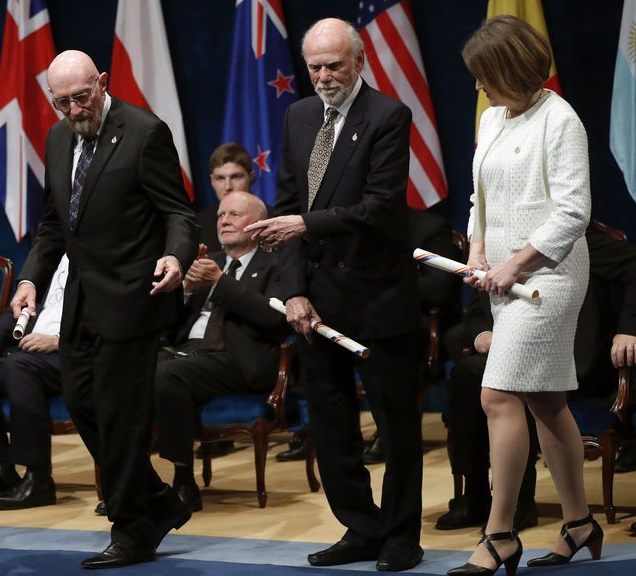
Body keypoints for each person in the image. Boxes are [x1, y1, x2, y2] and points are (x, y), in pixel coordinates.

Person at [245, 18, 423, 571]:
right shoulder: (298, 115)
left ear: (359, 61)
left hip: (377, 298)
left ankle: (400, 537)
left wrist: (303, 225)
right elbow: (285, 211)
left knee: (395, 428)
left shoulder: (388, 116)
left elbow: (377, 209)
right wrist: (293, 291)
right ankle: (360, 527)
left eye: (334, 65)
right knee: (331, 424)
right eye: (315, 66)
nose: (323, 76)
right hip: (315, 305)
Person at [9, 50, 198, 569]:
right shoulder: (56, 137)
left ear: (103, 83)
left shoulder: (143, 132)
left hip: (136, 299)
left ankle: (132, 526)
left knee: (120, 418)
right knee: (83, 405)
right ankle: (158, 502)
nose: (73, 107)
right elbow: (53, 225)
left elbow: (178, 213)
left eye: (81, 95)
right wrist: (30, 279)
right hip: (79, 303)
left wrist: (175, 257)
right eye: (62, 100)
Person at [448, 15, 600, 576]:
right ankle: (580, 524)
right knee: (545, 400)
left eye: (485, 75)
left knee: (498, 396)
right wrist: (479, 252)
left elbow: (572, 212)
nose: (479, 87)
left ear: (510, 69)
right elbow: (478, 196)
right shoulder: (493, 120)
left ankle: (500, 533)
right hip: (504, 277)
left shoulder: (561, 120)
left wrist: (513, 264)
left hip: (549, 278)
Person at [438, 222, 636, 533]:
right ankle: (473, 496)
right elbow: (477, 306)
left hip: (571, 355)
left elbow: (634, 268)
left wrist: (629, 328)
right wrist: (482, 335)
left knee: (516, 383)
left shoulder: (575, 234)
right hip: (507, 348)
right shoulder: (494, 235)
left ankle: (518, 507)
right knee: (468, 375)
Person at [155, 191, 288, 512]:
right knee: (132, 368)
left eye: (234, 215)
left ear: (258, 224)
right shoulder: (206, 261)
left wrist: (220, 283)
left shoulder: (276, 264)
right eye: (220, 215)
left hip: (238, 360)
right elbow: (169, 326)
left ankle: (183, 481)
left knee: (166, 375)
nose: (224, 220)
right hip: (187, 352)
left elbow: (274, 317)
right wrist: (185, 291)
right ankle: (136, 481)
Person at [0, 254, 70, 510]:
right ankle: (2, 470)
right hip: (33, 355)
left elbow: (113, 318)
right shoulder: (57, 258)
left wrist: (59, 340)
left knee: (18, 364)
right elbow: (25, 310)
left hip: (75, 354)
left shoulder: (104, 258)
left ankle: (39, 478)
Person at [197, 143, 255, 252]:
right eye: (220, 178)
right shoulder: (197, 226)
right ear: (212, 181)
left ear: (251, 177)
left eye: (236, 177)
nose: (228, 187)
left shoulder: (273, 220)